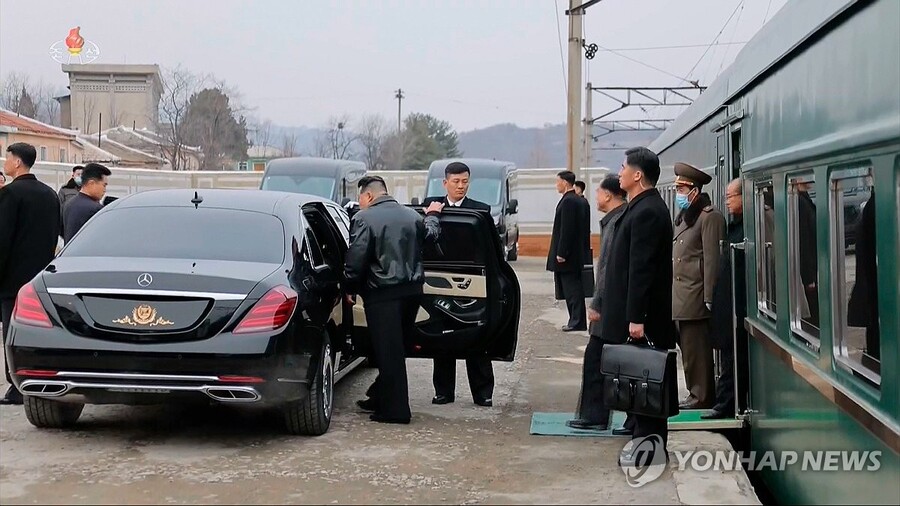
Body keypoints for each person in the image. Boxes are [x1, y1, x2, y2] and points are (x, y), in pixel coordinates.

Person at [344, 176, 444, 424]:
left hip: (382, 293)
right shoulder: (412, 216)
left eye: (361, 198)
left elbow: (356, 259)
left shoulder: (364, 218)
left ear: (368, 196)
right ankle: (379, 396)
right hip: (412, 291)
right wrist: (432, 214)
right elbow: (431, 235)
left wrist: (349, 287)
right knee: (396, 348)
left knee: (387, 351)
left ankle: (395, 411)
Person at [600, 147, 678, 454]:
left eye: (622, 168)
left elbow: (641, 269)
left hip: (644, 318)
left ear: (637, 175)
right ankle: (642, 442)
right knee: (640, 385)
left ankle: (650, 450)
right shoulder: (641, 206)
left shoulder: (647, 212)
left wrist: (636, 317)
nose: (618, 173)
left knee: (648, 386)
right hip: (637, 315)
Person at [422, 162, 495, 407]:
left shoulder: (481, 211)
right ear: (445, 183)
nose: (461, 186)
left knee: (476, 338)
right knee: (442, 337)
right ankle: (443, 391)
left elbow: (491, 249)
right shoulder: (432, 207)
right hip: (439, 281)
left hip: (472, 281)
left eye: (465, 181)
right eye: (456, 182)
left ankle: (483, 393)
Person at [0, 143, 62, 405]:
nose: (5, 162)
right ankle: (44, 380)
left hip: (13, 279)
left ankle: (16, 387)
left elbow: (2, 239)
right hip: (41, 277)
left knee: (12, 334)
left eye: (7, 158)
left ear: (17, 162)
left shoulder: (10, 194)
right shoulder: (49, 194)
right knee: (41, 331)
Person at [567, 174, 627, 431]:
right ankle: (594, 415)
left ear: (609, 195)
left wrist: (597, 304)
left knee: (596, 360)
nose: (596, 197)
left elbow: (607, 271)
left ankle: (595, 416)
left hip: (612, 307)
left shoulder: (616, 223)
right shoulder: (617, 219)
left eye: (599, 192)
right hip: (615, 305)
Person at [671, 162, 725, 410]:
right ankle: (695, 391)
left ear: (694, 191)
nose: (679, 194)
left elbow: (712, 259)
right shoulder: (686, 218)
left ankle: (701, 395)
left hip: (695, 295)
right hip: (682, 295)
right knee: (689, 351)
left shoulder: (709, 217)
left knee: (697, 351)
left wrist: (710, 297)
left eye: (682, 189)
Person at [703, 178, 747, 419]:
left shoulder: (749, 226)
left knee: (734, 357)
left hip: (739, 305)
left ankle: (725, 404)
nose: (727, 201)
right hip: (728, 305)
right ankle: (725, 402)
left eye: (732, 196)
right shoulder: (735, 226)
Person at [547, 170, 590, 332]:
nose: (556, 185)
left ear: (565, 182)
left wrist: (561, 252)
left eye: (558, 181)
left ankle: (577, 321)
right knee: (572, 288)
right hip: (573, 254)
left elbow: (567, 229)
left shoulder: (569, 202)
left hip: (568, 256)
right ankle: (575, 319)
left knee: (573, 289)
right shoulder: (574, 200)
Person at [62, 163, 110, 243]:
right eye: (104, 185)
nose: (105, 190)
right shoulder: (95, 209)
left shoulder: (69, 204)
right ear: (91, 183)